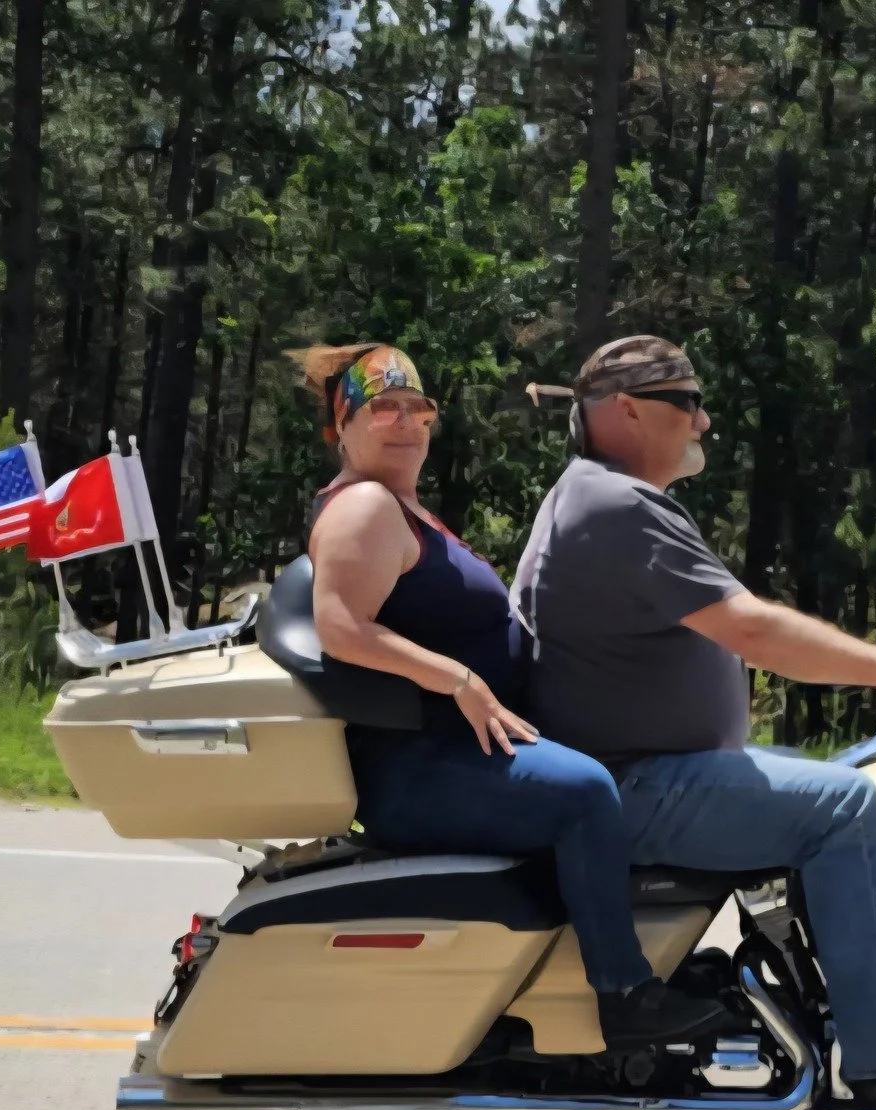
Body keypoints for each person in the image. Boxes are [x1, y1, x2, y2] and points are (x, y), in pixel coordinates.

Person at [513, 336, 876, 1110]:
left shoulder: (599, 495)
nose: (703, 420)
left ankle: (824, 998)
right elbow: (754, 631)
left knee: (860, 768)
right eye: (686, 402)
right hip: (636, 782)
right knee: (844, 808)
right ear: (627, 411)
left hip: (644, 769)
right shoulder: (617, 504)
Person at [293, 341, 731, 1048]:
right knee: (585, 791)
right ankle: (625, 993)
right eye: (383, 409)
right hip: (419, 763)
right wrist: (459, 678)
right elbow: (341, 627)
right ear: (340, 429)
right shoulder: (364, 506)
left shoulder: (404, 510)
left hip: (457, 750)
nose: (406, 422)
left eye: (418, 408)